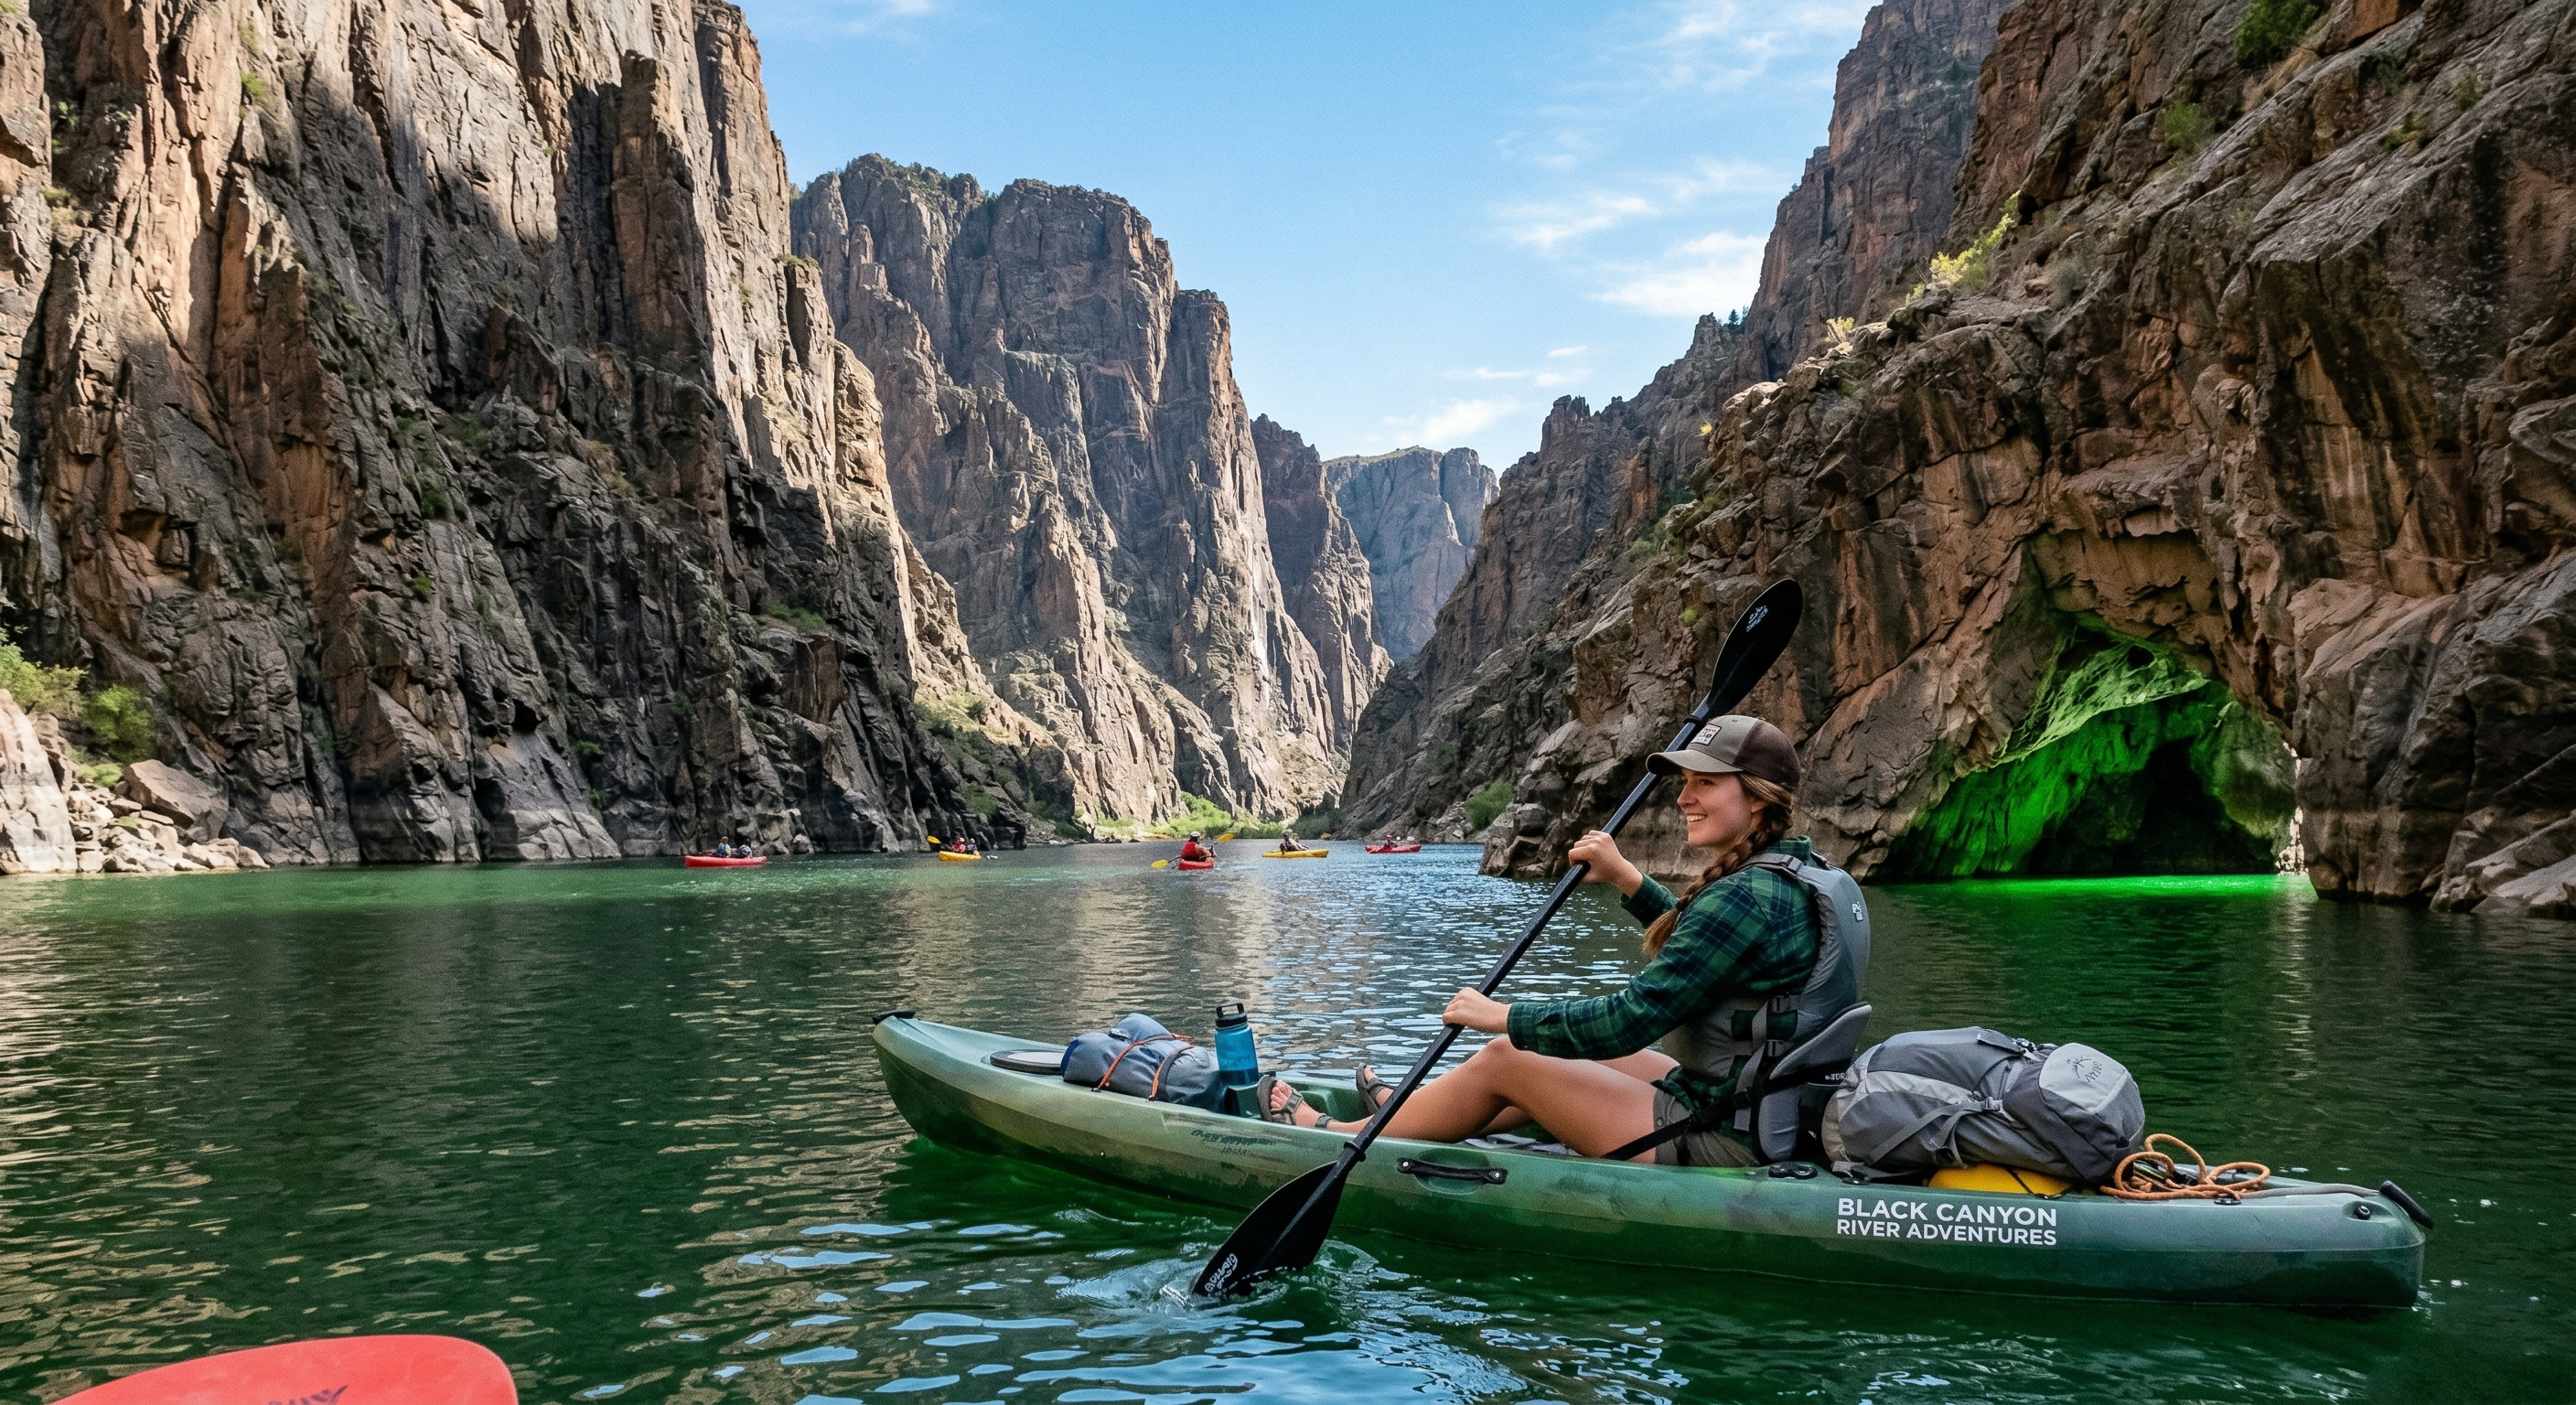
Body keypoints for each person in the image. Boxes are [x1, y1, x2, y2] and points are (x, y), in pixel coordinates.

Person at [1266, 714, 1853, 1166]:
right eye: (1684, 782)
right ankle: (1417, 1112)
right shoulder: (1803, 876)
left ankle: (1339, 1135)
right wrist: (1628, 879)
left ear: (1755, 796)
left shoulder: (1743, 896)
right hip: (1766, 1112)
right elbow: (1709, 950)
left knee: (1508, 1056)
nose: (1683, 797)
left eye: (1705, 783)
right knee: (1552, 1054)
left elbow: (1630, 1019)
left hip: (1720, 1134)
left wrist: (1504, 1017)